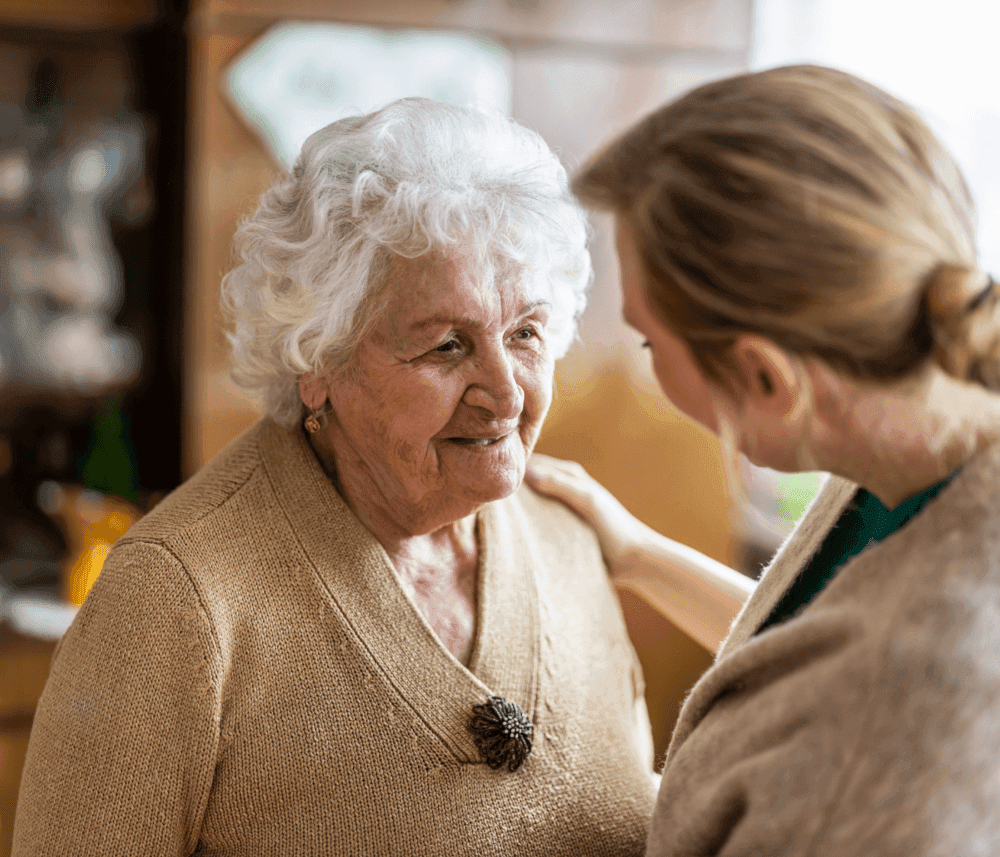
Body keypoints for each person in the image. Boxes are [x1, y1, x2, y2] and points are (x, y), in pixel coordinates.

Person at [12, 97, 749, 856]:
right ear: (317, 360)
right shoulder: (176, 598)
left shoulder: (571, 537)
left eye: (526, 332)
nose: (506, 392)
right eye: (446, 347)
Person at [528, 64, 1000, 854]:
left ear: (764, 377)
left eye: (649, 340)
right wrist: (636, 551)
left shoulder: (909, 711)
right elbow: (806, 651)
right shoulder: (909, 432)